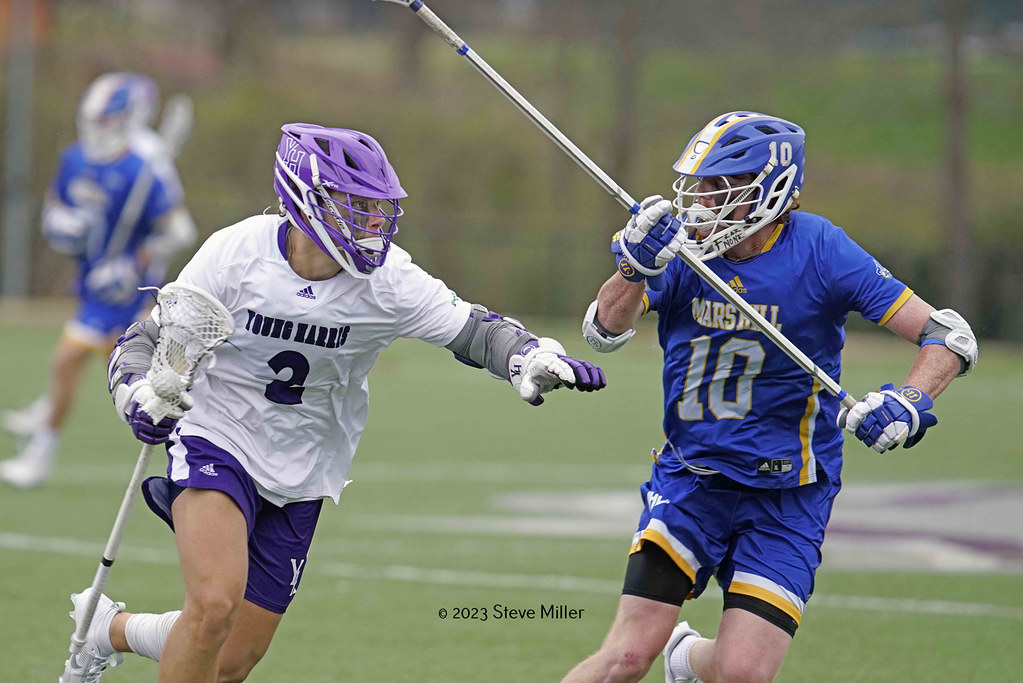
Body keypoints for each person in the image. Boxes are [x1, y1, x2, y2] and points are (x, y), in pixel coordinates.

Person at [59, 123, 607, 683]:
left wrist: (527, 357)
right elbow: (145, 341)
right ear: (305, 198)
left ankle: (112, 629)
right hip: (216, 436)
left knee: (230, 661)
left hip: (306, 466)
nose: (375, 225)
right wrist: (137, 395)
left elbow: (474, 330)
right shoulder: (235, 253)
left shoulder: (389, 280)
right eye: (358, 207)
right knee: (214, 606)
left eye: (378, 209)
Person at [564, 111, 977, 683]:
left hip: (790, 493)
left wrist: (907, 401)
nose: (699, 205)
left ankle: (685, 661)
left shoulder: (822, 249)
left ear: (769, 192)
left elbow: (948, 337)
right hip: (693, 480)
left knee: (742, 674)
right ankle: (667, 655)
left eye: (718, 190)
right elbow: (603, 332)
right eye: (698, 188)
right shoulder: (678, 249)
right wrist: (633, 269)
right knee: (627, 657)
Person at [0, 72, 196, 488]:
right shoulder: (75, 157)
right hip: (93, 283)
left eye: (107, 120)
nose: (97, 128)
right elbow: (56, 204)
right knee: (83, 367)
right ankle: (42, 443)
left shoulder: (142, 169)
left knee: (149, 380)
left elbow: (178, 230)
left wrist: (133, 263)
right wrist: (60, 224)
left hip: (132, 294)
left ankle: (42, 451)